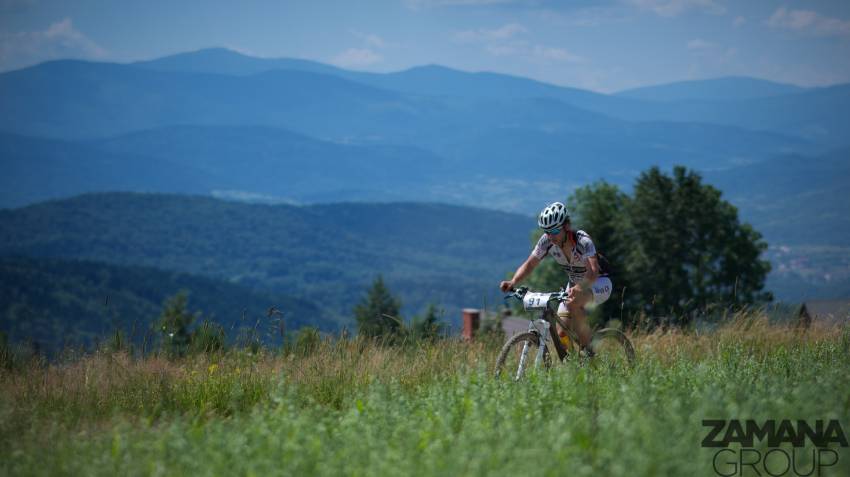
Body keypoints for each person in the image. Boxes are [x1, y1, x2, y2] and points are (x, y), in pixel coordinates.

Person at [499, 201, 612, 349]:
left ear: (566, 227)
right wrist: (513, 281)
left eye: (554, 231)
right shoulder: (546, 241)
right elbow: (530, 264)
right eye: (546, 231)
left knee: (573, 304)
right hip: (574, 284)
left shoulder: (583, 241)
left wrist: (579, 287)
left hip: (598, 282)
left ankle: (588, 353)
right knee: (561, 334)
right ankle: (572, 364)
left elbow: (593, 272)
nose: (550, 236)